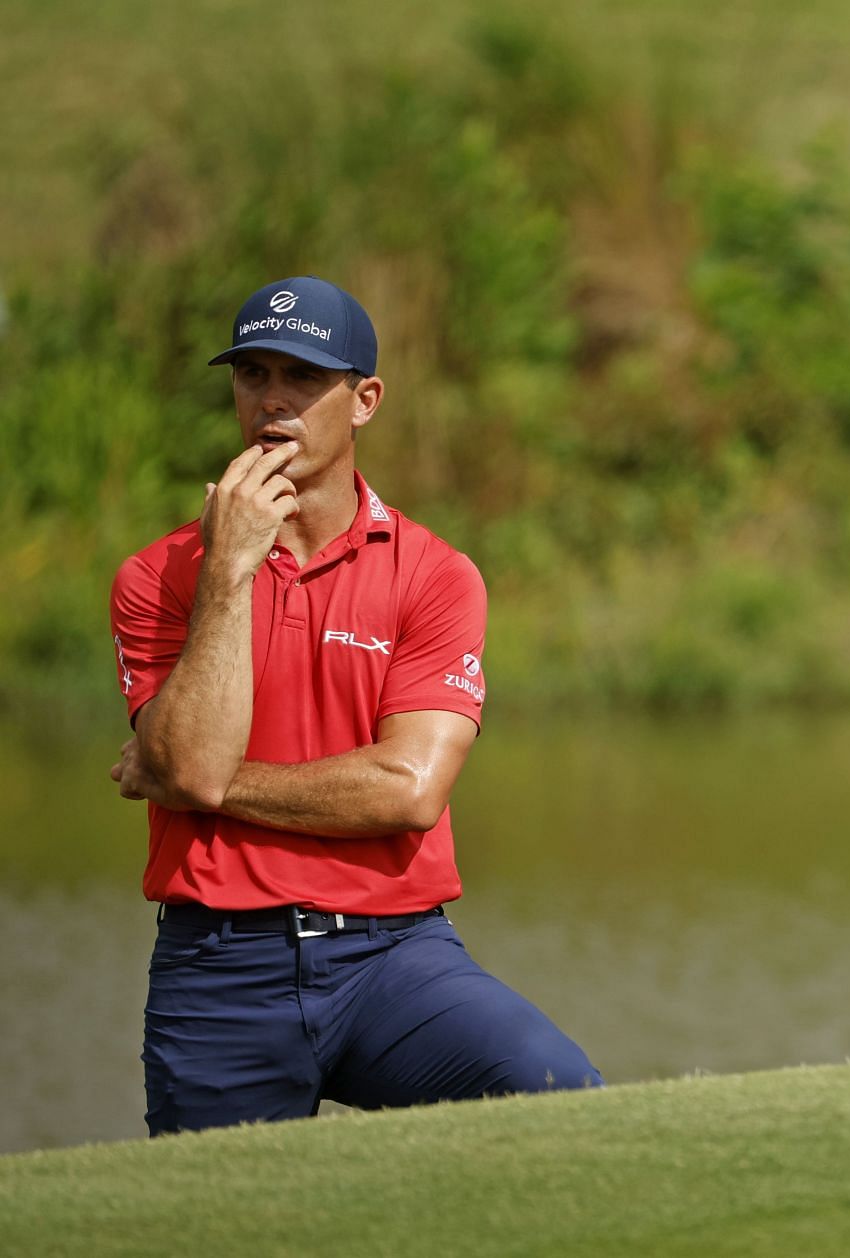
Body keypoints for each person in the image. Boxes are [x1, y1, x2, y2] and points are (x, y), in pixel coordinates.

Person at [109, 276, 601, 1134]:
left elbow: (407, 791)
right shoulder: (161, 576)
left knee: (559, 1095)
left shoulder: (435, 574)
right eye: (252, 374)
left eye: (303, 377)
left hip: (395, 955)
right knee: (216, 1225)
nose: (272, 402)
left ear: (364, 399)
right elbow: (186, 762)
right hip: (218, 967)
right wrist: (227, 572)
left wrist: (214, 786)